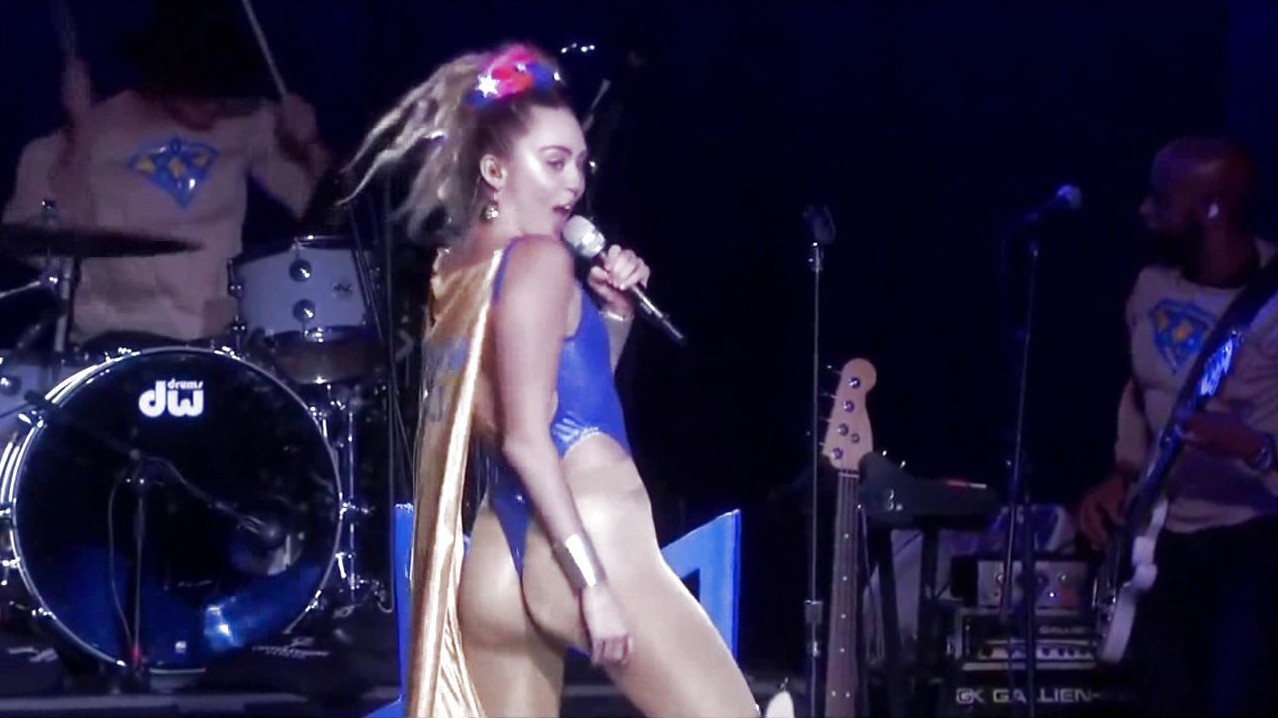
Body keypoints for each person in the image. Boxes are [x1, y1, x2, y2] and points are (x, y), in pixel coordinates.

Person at [345, 44, 759, 717]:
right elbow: (528, 440)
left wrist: (612, 317)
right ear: (494, 170)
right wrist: (592, 584)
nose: (573, 185)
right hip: (590, 537)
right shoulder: (540, 259)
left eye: (580, 165)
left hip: (497, 555)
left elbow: (553, 404)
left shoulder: (456, 270)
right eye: (555, 162)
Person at [1075, 137, 1278, 718]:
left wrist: (1255, 448)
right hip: (1166, 542)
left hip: (1255, 542)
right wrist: (1123, 473)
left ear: (1212, 208)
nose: (1144, 210)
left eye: (1161, 200)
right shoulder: (1150, 288)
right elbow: (1141, 393)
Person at [2, 0, 331, 350]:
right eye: (202, 86)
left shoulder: (248, 121)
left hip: (213, 346)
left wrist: (310, 147)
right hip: (109, 348)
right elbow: (42, 244)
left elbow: (329, 209)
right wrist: (78, 141)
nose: (213, 102)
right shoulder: (86, 133)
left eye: (222, 85)